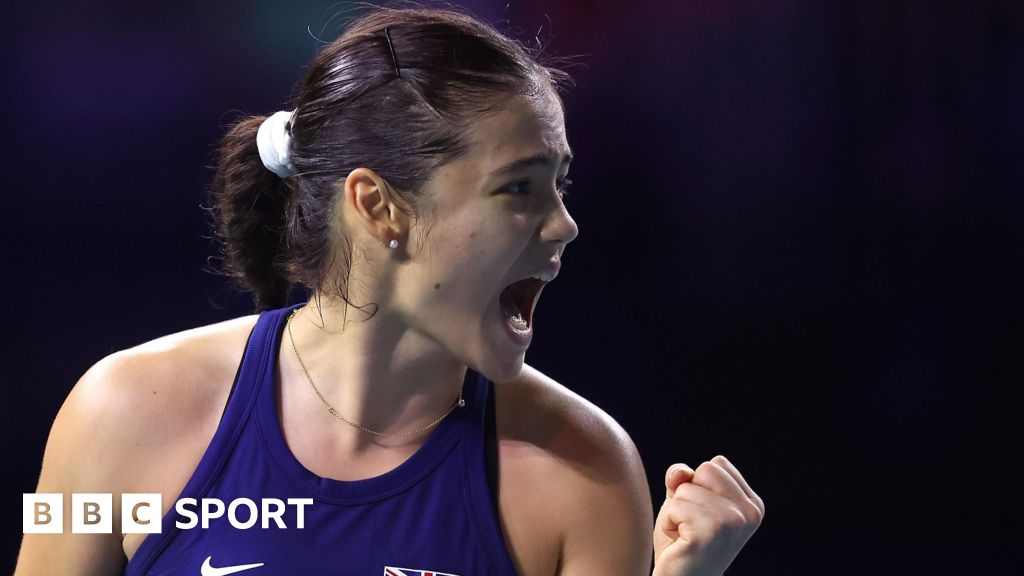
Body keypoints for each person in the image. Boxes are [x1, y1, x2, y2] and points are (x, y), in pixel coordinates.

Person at [16, 6, 763, 576]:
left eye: (560, 184)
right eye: (518, 190)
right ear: (378, 206)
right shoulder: (114, 413)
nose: (564, 225)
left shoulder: (586, 475)